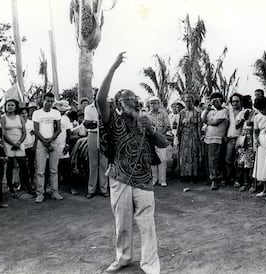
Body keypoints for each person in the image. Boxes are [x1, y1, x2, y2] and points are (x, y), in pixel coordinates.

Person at [97, 52, 165, 274]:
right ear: (118, 104)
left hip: (144, 179)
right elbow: (99, 99)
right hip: (120, 177)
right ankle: (123, 258)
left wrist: (151, 129)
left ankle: (150, 264)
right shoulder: (112, 120)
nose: (135, 101)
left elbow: (163, 143)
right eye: (129, 99)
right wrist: (114, 67)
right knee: (122, 223)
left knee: (147, 224)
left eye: (136, 98)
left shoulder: (144, 121)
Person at [32, 92, 63, 203]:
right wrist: (45, 141)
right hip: (41, 143)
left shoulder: (56, 113)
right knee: (40, 170)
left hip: (53, 142)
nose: (49, 103)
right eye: (47, 101)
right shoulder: (36, 113)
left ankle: (55, 191)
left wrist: (50, 140)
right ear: (43, 100)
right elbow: (36, 130)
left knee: (54, 169)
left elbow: (59, 129)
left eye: (51, 101)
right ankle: (40, 193)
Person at [0, 98, 34, 197]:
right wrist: (12, 144)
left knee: (23, 166)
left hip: (20, 145)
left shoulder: (20, 117)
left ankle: (28, 187)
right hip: (8, 145)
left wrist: (18, 143)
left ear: (16, 107)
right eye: (8, 105)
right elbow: (3, 134)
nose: (10, 107)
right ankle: (11, 188)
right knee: (10, 167)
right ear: (5, 107)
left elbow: (24, 132)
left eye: (12, 105)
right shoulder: (3, 118)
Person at [202, 92, 228, 190]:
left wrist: (209, 122)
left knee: (214, 160)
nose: (216, 102)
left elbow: (215, 123)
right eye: (214, 100)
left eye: (218, 100)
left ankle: (215, 180)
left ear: (222, 101)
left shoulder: (224, 111)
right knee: (209, 160)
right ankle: (211, 179)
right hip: (208, 138)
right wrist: (206, 110)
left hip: (216, 139)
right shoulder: (210, 111)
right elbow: (203, 120)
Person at [84, 98, 109, 198]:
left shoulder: (107, 107)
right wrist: (98, 123)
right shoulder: (89, 108)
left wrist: (96, 123)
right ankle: (91, 189)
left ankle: (104, 189)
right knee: (93, 163)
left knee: (104, 163)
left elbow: (109, 122)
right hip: (93, 135)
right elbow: (88, 124)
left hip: (104, 135)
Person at [177, 94, 202, 182]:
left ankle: (194, 175)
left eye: (189, 101)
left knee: (193, 155)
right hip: (184, 135)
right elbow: (179, 125)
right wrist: (178, 136)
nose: (188, 103)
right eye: (186, 101)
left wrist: (199, 137)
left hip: (193, 135)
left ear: (193, 101)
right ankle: (184, 175)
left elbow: (199, 125)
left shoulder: (197, 112)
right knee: (184, 155)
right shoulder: (182, 112)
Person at [252, 96, 266, 197]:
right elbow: (256, 131)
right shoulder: (257, 117)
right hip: (262, 140)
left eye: (264, 109)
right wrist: (256, 140)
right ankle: (265, 189)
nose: (263, 111)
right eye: (260, 109)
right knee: (261, 164)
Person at [147, 96, 170, 187]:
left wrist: (159, 135)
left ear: (158, 103)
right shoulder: (147, 115)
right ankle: (154, 179)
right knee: (152, 160)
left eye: (154, 103)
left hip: (161, 139)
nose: (152, 105)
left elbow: (167, 126)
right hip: (151, 140)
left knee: (162, 159)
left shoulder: (163, 113)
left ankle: (162, 180)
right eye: (151, 103)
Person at [235, 95, 256, 192]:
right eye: (247, 102)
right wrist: (244, 118)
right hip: (243, 140)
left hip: (252, 140)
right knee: (242, 163)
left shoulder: (256, 112)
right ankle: (245, 183)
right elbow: (237, 126)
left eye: (250, 101)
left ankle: (253, 184)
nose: (249, 103)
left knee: (251, 163)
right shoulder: (241, 113)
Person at [53, 100, 73, 192]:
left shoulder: (66, 119)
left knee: (67, 167)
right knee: (55, 168)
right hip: (53, 145)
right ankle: (55, 187)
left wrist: (67, 144)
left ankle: (70, 187)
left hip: (63, 145)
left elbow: (68, 132)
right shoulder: (52, 117)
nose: (62, 112)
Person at [225, 93, 243, 186]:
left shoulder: (245, 111)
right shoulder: (228, 111)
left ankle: (238, 180)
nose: (235, 103)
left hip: (241, 139)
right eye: (233, 102)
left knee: (239, 160)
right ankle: (228, 178)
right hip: (230, 138)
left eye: (237, 101)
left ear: (240, 101)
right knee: (228, 159)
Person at [20, 106, 37, 191]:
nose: (24, 115)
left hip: (30, 146)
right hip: (21, 147)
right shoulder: (17, 124)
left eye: (25, 113)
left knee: (31, 165)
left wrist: (34, 145)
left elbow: (36, 134)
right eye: (22, 113)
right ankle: (22, 183)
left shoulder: (31, 123)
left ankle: (32, 181)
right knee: (22, 165)